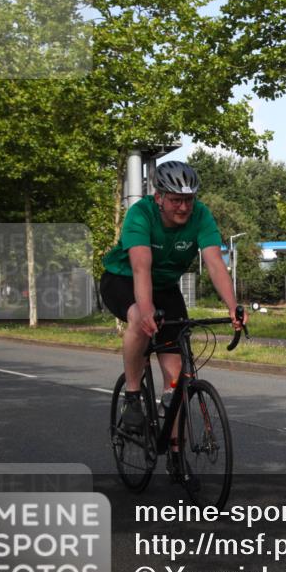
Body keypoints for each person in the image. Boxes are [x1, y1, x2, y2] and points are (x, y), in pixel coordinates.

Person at [100, 160, 246, 433]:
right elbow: (141, 267)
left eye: (189, 200)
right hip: (123, 279)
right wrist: (145, 310)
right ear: (159, 198)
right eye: (177, 200)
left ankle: (176, 456)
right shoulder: (140, 214)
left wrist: (232, 306)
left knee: (177, 379)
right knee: (138, 320)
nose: (184, 207)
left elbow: (214, 262)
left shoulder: (201, 215)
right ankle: (132, 396)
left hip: (165, 288)